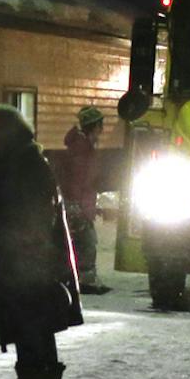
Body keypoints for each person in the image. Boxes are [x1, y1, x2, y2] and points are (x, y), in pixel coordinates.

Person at [0, 103, 85, 379]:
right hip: (34, 260)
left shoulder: (24, 164)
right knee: (37, 325)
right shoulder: (28, 160)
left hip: (26, 262)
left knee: (27, 324)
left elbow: (19, 206)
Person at [59, 105, 112, 294]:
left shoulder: (82, 147)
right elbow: (77, 179)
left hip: (81, 203)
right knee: (86, 242)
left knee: (81, 241)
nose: (102, 130)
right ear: (93, 126)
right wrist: (76, 205)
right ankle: (83, 281)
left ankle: (80, 278)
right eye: (100, 125)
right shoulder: (81, 149)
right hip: (79, 204)